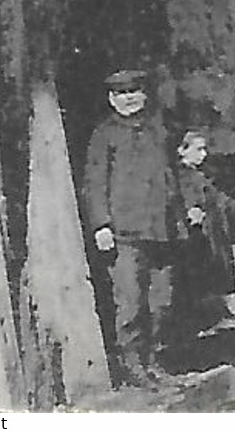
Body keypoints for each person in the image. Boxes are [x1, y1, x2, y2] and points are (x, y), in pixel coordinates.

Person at [82, 68, 181, 387]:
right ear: (111, 99)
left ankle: (154, 360)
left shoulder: (157, 130)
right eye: (122, 94)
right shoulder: (104, 134)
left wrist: (180, 214)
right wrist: (101, 224)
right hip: (125, 233)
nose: (129, 99)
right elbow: (94, 182)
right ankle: (133, 364)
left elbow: (171, 175)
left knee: (161, 300)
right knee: (131, 302)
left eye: (135, 91)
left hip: (160, 229)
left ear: (145, 94)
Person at [171, 130, 235, 340]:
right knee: (202, 276)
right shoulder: (183, 178)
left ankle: (218, 315)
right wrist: (192, 212)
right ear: (182, 150)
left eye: (204, 149)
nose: (203, 154)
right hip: (199, 237)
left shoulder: (198, 176)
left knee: (215, 273)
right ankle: (207, 321)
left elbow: (219, 200)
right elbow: (187, 204)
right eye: (198, 149)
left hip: (213, 233)